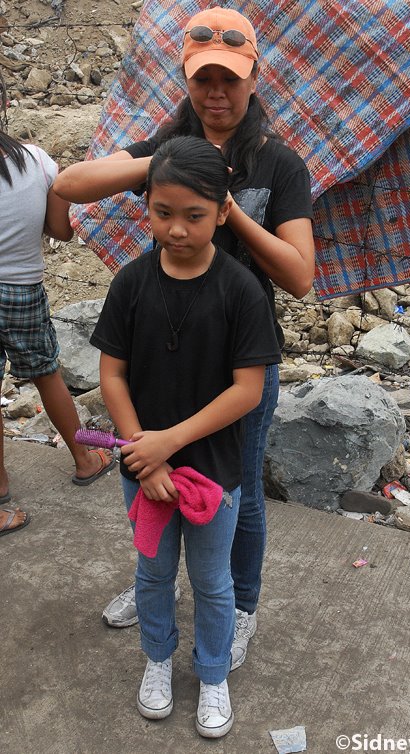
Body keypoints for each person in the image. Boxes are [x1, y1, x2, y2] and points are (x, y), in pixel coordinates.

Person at [54, 5, 315, 667]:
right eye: (204, 80)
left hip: (240, 359)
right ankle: (156, 583)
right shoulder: (163, 150)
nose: (216, 93)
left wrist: (223, 206)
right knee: (152, 467)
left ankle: (241, 606)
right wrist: (172, 168)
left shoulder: (279, 165)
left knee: (238, 491)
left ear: (254, 78)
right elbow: (69, 184)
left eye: (230, 79)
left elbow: (300, 277)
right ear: (187, 80)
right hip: (160, 353)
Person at [89, 135, 281, 737]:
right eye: (162, 212)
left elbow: (247, 390)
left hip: (214, 471)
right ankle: (157, 660)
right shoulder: (131, 282)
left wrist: (166, 444)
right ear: (147, 206)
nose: (176, 229)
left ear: (223, 211)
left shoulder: (241, 290)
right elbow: (112, 374)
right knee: (152, 574)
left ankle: (213, 672)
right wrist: (142, 453)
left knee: (212, 581)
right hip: (142, 466)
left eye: (194, 215)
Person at [0, 125, 114, 537]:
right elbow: (62, 230)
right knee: (47, 375)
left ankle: (0, 489)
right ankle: (85, 460)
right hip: (22, 289)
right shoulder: (36, 161)